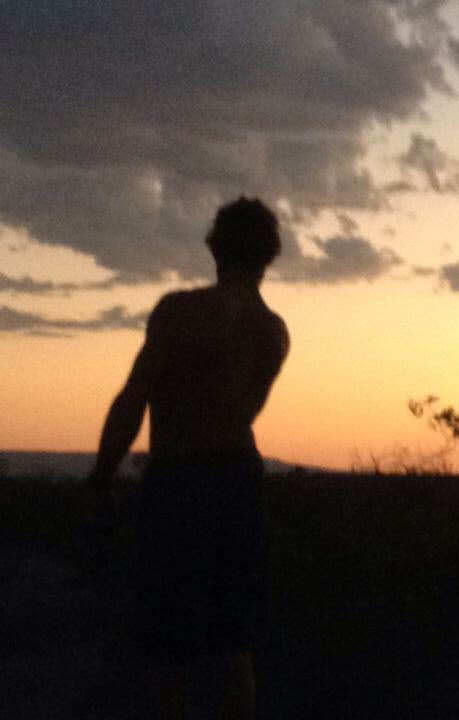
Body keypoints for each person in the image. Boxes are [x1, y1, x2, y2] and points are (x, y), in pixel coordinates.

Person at [85, 197, 290, 719]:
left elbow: (134, 398)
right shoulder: (273, 332)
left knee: (166, 645)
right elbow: (244, 409)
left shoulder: (179, 312)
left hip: (180, 480)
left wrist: (102, 477)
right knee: (232, 643)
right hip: (240, 482)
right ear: (270, 255)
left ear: (214, 247)